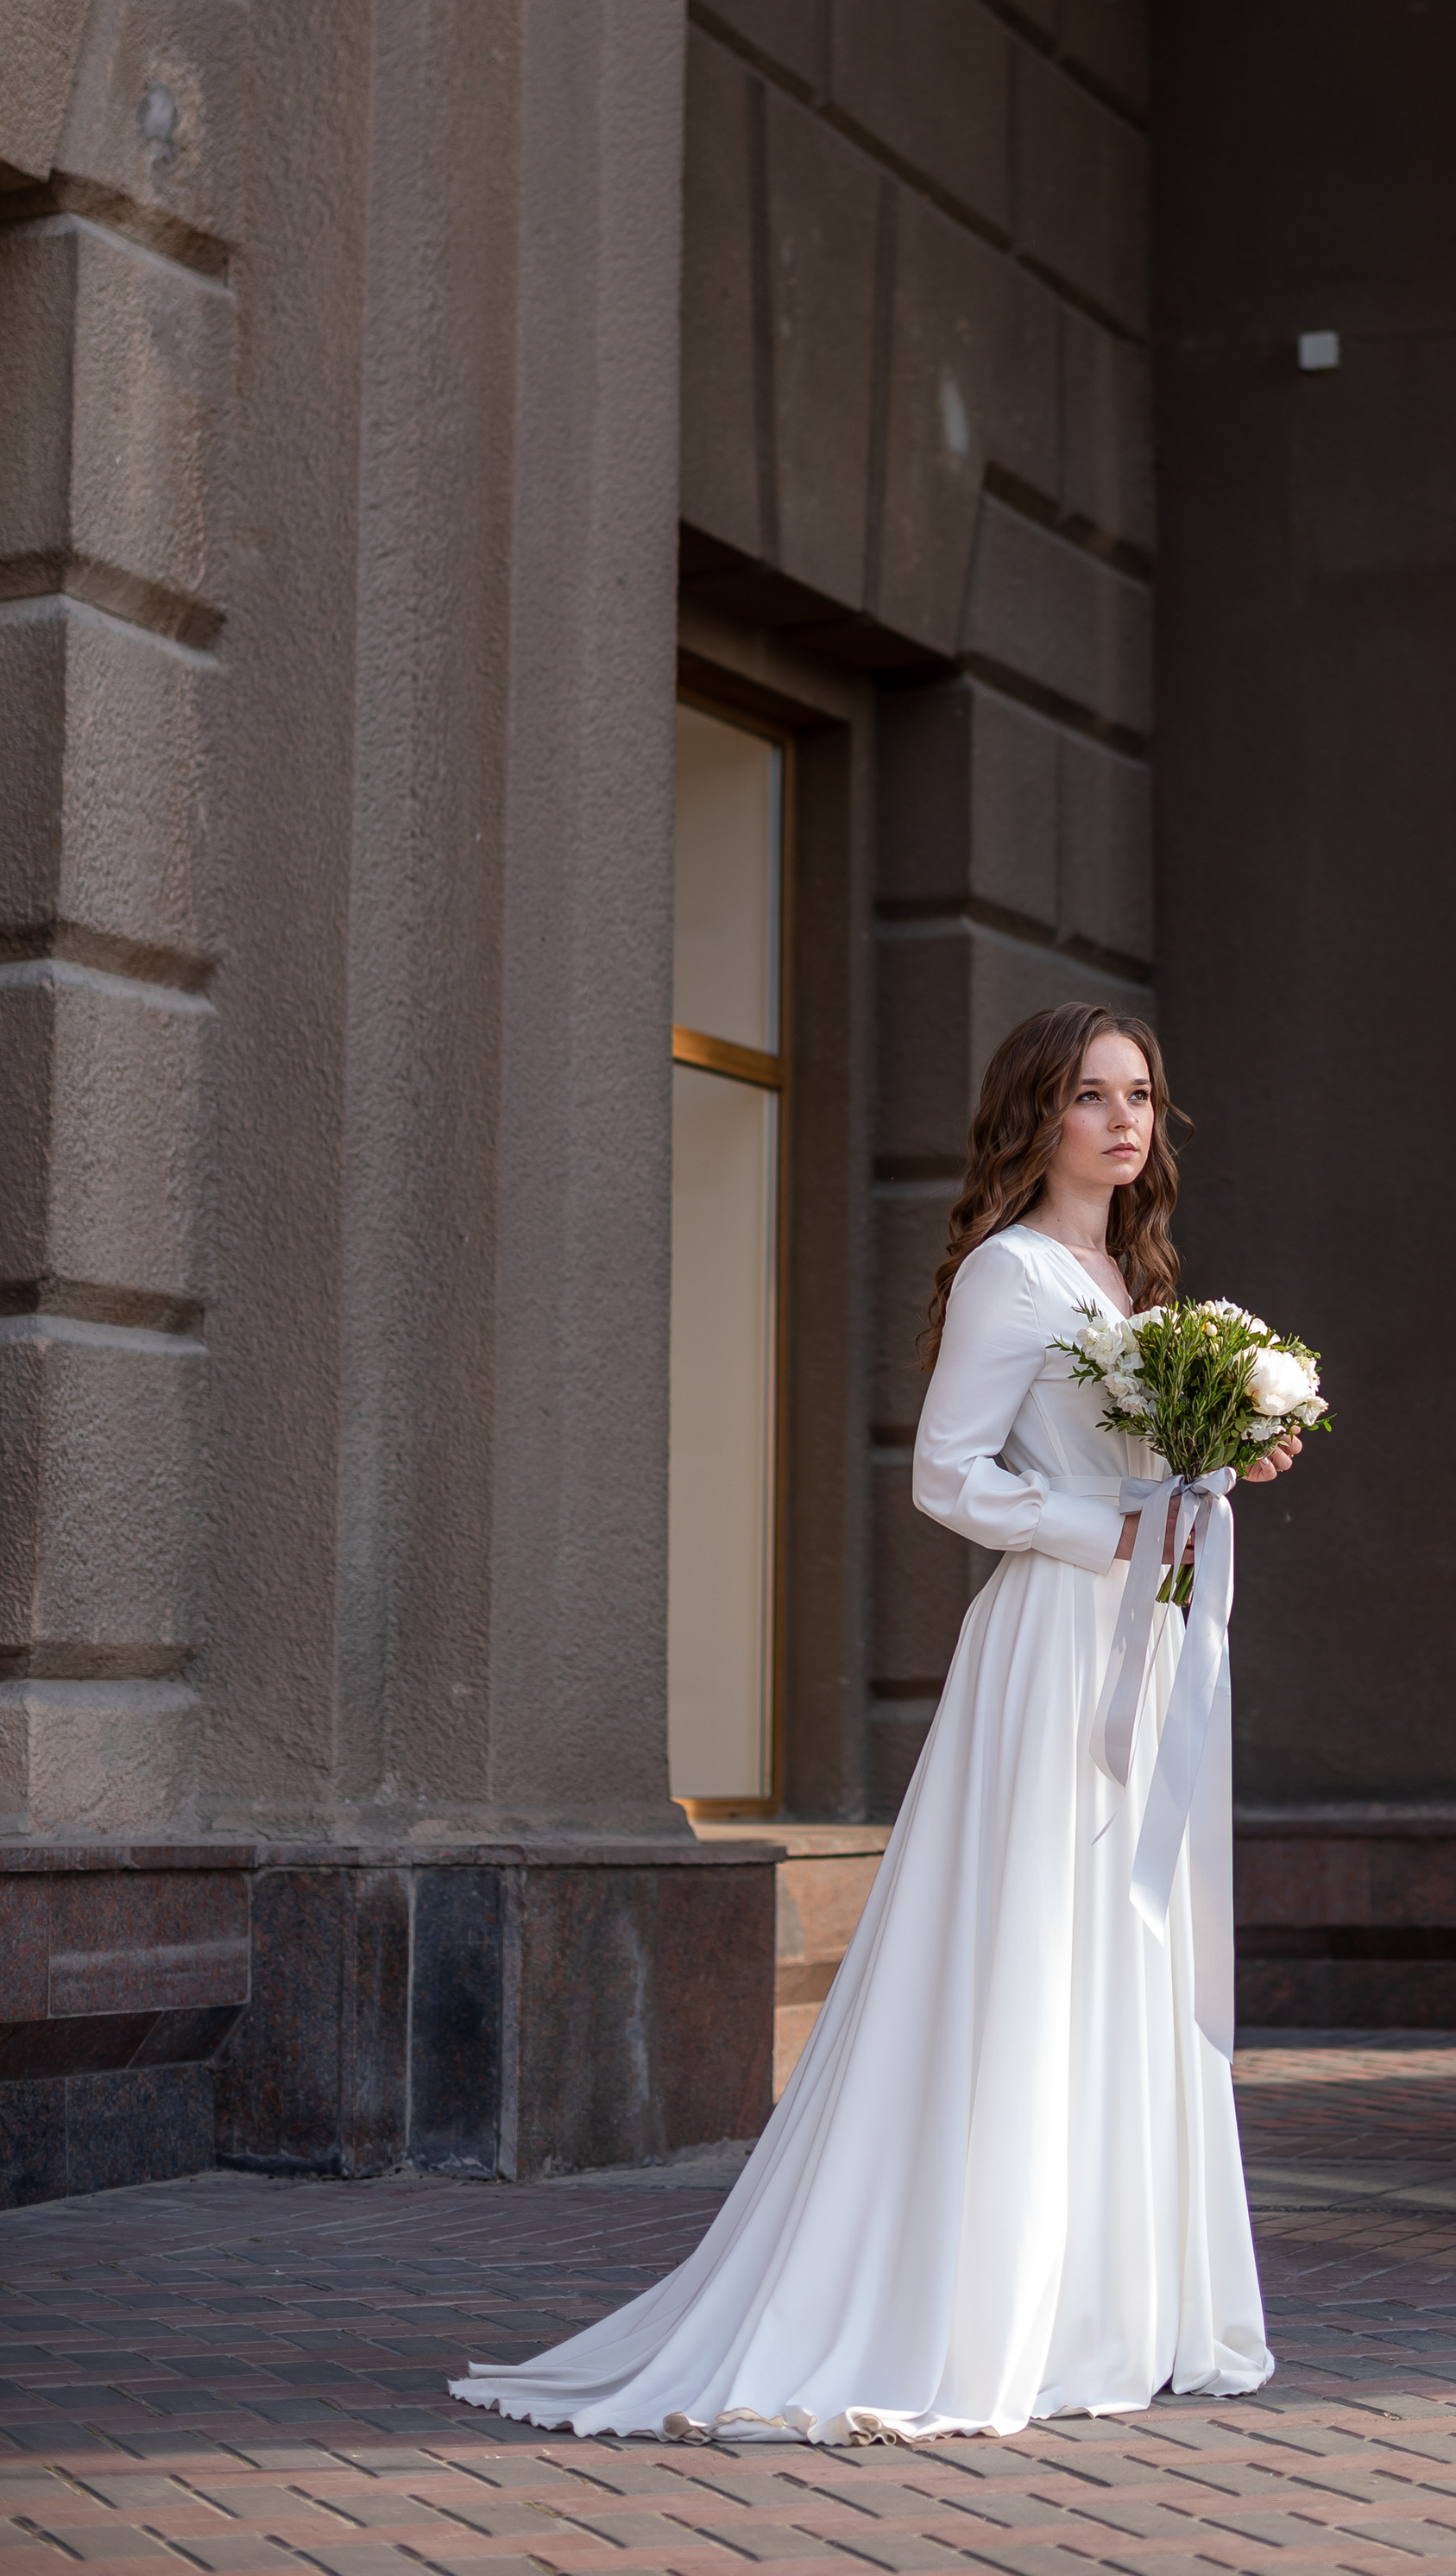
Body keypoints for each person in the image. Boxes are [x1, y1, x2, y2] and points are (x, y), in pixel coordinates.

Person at [449, 1001, 1299, 2447]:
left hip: (1141, 1650)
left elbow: (1143, 1465)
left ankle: (1117, 2292)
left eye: (1140, 1094)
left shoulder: (1134, 1277)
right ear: (1035, 1116)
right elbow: (949, 1478)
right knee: (1036, 1946)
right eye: (1090, 1095)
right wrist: (1114, 1531)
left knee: (1127, 1947)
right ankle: (984, 2301)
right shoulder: (1010, 1273)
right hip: (1050, 1652)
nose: (1123, 1118)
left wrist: (1226, 1461)